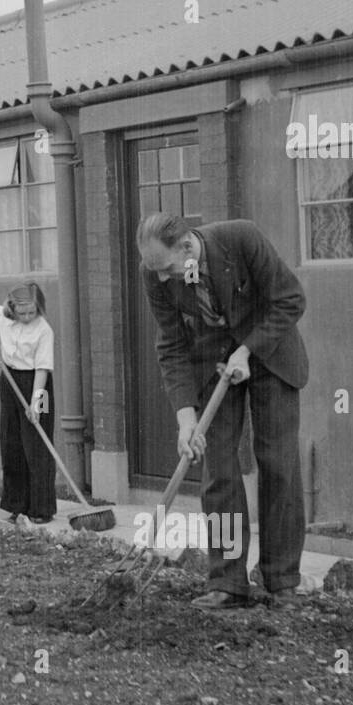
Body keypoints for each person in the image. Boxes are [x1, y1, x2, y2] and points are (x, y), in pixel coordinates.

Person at [136, 213, 309, 609]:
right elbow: (172, 345)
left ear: (187, 247)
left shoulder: (241, 238)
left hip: (271, 353)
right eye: (155, 271)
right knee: (218, 470)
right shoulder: (155, 273)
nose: (162, 279)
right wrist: (186, 419)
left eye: (167, 269)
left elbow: (290, 298)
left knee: (278, 463)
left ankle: (281, 580)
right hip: (214, 363)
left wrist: (247, 350)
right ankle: (229, 581)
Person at [0, 285, 57, 524]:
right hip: (9, 380)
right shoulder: (2, 316)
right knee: (12, 442)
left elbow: (43, 369)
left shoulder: (44, 330)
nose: (28, 317)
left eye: (32, 312)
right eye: (23, 313)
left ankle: (41, 509)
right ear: (12, 308)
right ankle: (17, 505)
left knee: (37, 444)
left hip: (40, 385)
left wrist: (36, 404)